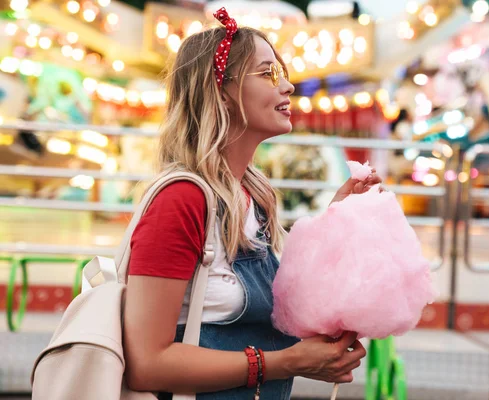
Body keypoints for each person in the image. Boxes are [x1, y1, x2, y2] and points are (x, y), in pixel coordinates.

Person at [123, 8, 381, 400]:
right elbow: (147, 363)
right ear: (220, 92)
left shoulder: (253, 196)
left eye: (283, 72)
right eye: (268, 73)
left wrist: (336, 222)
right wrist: (285, 363)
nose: (289, 87)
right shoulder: (181, 200)